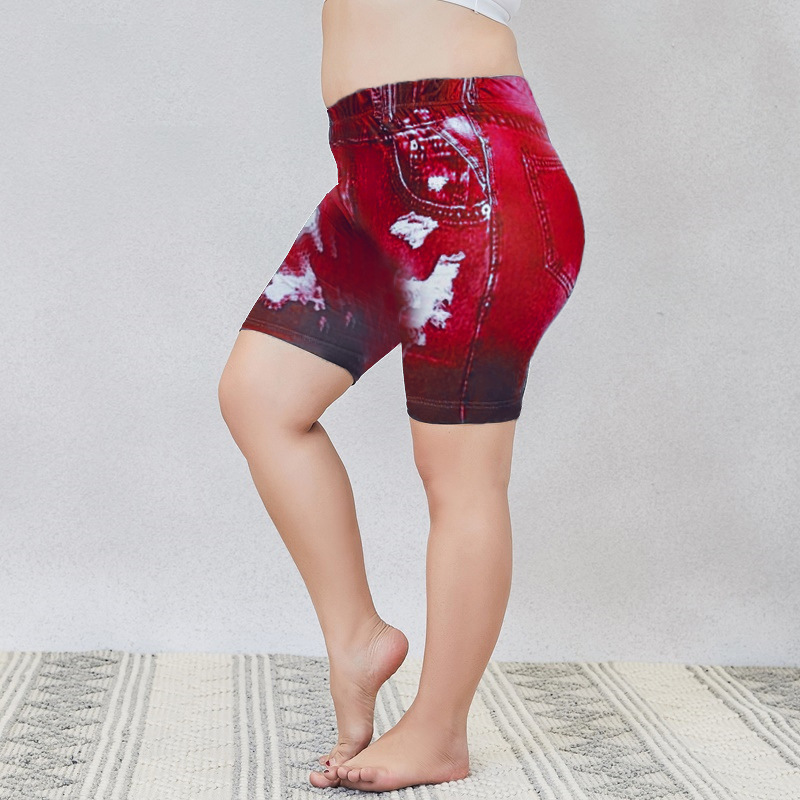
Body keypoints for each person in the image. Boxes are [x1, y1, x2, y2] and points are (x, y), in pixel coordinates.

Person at [218, 0, 585, 792]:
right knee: (261, 396)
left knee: (459, 476)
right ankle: (358, 640)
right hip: (367, 176)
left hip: (470, 165)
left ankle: (439, 730)